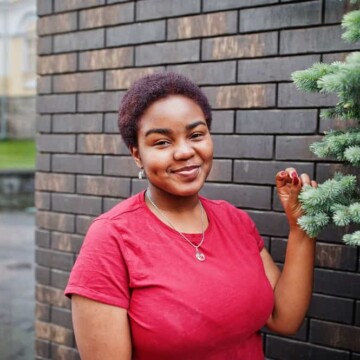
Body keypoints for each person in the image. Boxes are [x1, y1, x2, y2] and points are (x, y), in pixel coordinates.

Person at [65, 72, 317, 360]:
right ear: (137, 155)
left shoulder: (234, 221)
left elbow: (284, 318)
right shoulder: (112, 238)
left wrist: (301, 229)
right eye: (161, 142)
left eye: (196, 135)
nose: (185, 151)